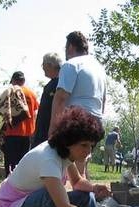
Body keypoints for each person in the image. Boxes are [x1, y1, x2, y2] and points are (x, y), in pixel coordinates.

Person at [50, 31, 107, 177]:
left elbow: (61, 98)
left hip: (77, 120)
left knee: (67, 163)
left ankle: (75, 196)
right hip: (96, 122)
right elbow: (103, 101)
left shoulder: (71, 65)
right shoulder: (99, 69)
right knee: (83, 162)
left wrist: (53, 129)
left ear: (70, 47)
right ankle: (86, 195)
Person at [0, 71, 39, 176]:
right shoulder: (32, 94)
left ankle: (9, 183)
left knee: (10, 161)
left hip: (12, 132)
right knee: (22, 161)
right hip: (28, 133)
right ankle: (21, 184)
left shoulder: (11, 91)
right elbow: (35, 112)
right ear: (23, 81)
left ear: (14, 81)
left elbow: (2, 108)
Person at [32, 53, 62, 148]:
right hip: (42, 129)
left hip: (49, 130)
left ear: (50, 65)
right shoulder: (51, 84)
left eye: (43, 64)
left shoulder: (60, 84)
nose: (42, 67)